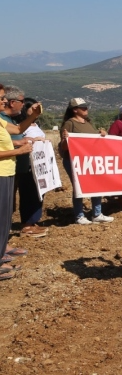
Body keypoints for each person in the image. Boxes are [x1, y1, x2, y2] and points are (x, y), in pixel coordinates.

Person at [1, 85, 43, 279]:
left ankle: (2, 252)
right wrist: (17, 151)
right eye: (1, 98)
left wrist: (33, 115)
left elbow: (18, 129)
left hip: (8, 171)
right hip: (3, 172)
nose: (3, 102)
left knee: (5, 214)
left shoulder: (3, 121)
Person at [60, 98, 113, 225]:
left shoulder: (88, 123)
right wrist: (65, 140)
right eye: (83, 108)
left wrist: (101, 134)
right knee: (79, 187)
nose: (86, 109)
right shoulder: (69, 124)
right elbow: (62, 146)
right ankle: (79, 216)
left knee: (96, 185)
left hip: (90, 160)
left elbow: (93, 141)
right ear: (75, 110)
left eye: (86, 107)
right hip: (74, 161)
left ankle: (97, 213)